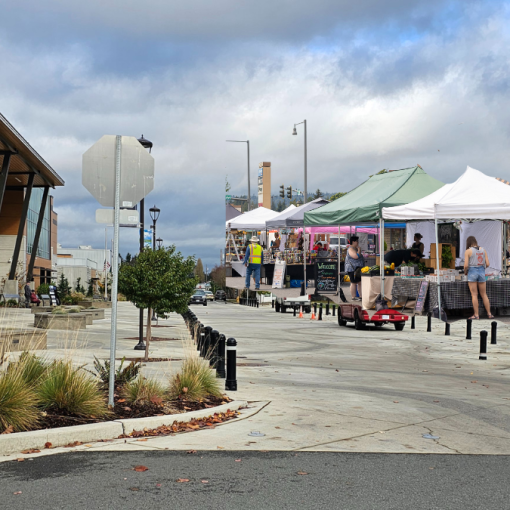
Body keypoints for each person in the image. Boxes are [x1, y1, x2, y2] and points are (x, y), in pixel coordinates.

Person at [464, 236, 493, 320]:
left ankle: (476, 315)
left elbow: (466, 265)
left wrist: (466, 271)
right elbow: (487, 264)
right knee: (484, 294)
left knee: (474, 294)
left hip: (472, 271)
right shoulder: (483, 250)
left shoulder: (468, 251)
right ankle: (489, 314)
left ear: (468, 243)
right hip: (481, 271)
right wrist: (481, 268)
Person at [345, 236, 364, 301]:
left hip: (357, 269)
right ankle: (354, 297)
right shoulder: (350, 249)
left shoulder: (354, 248)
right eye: (357, 241)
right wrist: (359, 250)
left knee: (359, 282)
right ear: (353, 242)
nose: (358, 243)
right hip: (352, 269)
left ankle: (361, 296)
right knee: (353, 282)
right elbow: (356, 256)